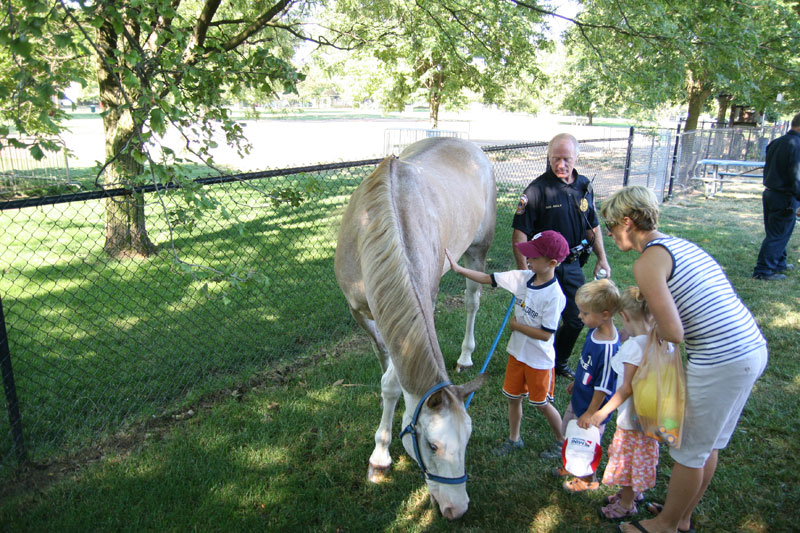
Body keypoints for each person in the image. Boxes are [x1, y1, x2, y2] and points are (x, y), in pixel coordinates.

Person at [599, 186, 768, 533]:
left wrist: (652, 338)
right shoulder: (680, 244)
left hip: (721, 359)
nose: (610, 233)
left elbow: (674, 331)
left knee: (690, 451)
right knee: (709, 444)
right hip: (749, 349)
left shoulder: (647, 262)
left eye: (612, 226)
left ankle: (664, 525)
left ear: (628, 222)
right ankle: (682, 517)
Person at [445, 230, 568, 457]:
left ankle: (562, 440)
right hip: (517, 354)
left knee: (541, 403)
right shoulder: (523, 278)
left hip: (539, 360)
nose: (527, 259)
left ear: (551, 263)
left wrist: (517, 326)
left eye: (533, 257)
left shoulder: (555, 296)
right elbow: (489, 278)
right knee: (513, 398)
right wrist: (458, 268)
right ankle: (514, 439)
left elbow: (546, 335)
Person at [512, 133, 611, 378]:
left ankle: (558, 361)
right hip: (544, 269)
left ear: (577, 157)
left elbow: (593, 226)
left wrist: (602, 258)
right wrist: (526, 273)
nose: (560, 165)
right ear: (549, 157)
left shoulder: (584, 185)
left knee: (577, 319)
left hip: (573, 266)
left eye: (566, 159)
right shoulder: (536, 191)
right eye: (555, 158)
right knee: (539, 320)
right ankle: (530, 364)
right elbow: (519, 235)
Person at [581, 286, 662, 521]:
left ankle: (626, 504)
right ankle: (632, 493)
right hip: (650, 414)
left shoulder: (633, 348)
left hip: (632, 419)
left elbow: (626, 388)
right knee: (640, 458)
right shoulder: (656, 337)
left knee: (627, 461)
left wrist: (601, 412)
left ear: (624, 317)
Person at [551, 278, 620, 493]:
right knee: (570, 434)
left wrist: (591, 414)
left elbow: (604, 387)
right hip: (579, 398)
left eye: (585, 313)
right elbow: (586, 364)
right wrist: (576, 381)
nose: (580, 316)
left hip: (592, 410)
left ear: (605, 314)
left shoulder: (609, 349)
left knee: (587, 444)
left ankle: (588, 479)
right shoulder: (594, 331)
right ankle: (570, 465)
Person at [752, 112, 800, 281]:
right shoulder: (797, 144)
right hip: (785, 196)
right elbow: (796, 176)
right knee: (778, 233)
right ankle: (763, 270)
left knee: (778, 231)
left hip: (771, 193)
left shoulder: (777, 142)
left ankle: (779, 262)